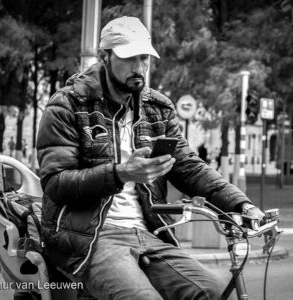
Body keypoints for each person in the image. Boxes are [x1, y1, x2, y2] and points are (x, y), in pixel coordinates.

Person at [37, 16, 264, 300]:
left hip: (148, 232)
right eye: (129, 58)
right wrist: (120, 174)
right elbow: (56, 184)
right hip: (89, 238)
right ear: (104, 56)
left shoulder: (156, 107)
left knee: (213, 292)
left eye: (144, 58)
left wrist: (241, 203)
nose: (139, 67)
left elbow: (190, 167)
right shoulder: (68, 104)